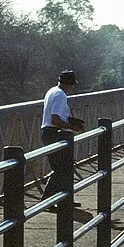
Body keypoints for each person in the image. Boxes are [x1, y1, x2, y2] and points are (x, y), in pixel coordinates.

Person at [41, 70, 85, 210]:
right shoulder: (61, 95)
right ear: (69, 84)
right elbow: (55, 119)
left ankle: (64, 199)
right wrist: (72, 127)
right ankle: (47, 200)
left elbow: (55, 115)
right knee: (61, 168)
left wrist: (69, 120)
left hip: (49, 132)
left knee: (64, 167)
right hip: (54, 133)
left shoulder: (52, 91)